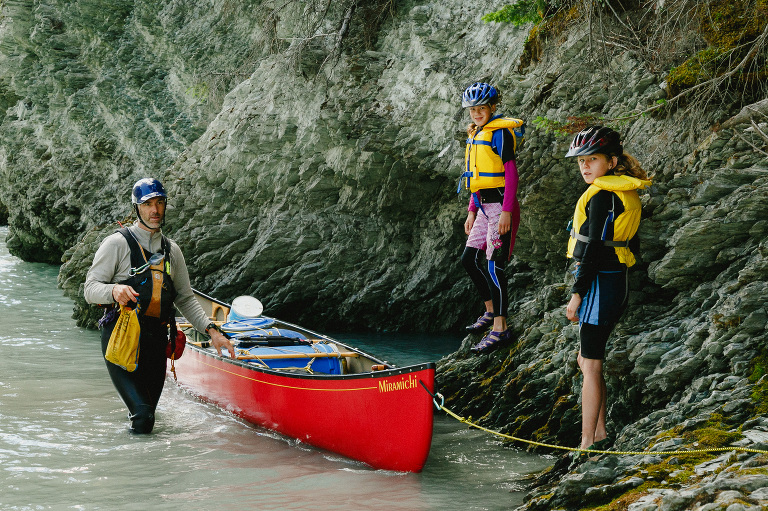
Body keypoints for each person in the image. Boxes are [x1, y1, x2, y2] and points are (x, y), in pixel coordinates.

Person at [84, 178, 235, 434]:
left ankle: (140, 464)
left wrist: (213, 331)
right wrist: (114, 290)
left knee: (146, 418)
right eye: (148, 204)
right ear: (137, 208)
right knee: (143, 417)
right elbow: (90, 289)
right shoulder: (117, 244)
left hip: (155, 342)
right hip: (121, 339)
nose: (155, 210)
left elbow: (185, 298)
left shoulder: (172, 251)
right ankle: (133, 470)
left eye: (160, 203)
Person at [563, 126, 651, 450]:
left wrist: (577, 293)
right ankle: (598, 434)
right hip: (614, 282)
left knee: (592, 362)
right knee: (586, 361)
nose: (585, 166)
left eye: (593, 159)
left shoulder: (602, 197)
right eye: (581, 161)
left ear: (611, 162)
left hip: (600, 284)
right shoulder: (621, 192)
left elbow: (595, 251)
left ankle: (587, 444)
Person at [457, 82, 525, 354]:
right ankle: (489, 311)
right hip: (482, 207)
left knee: (495, 267)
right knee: (469, 260)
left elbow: (511, 174)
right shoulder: (476, 134)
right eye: (473, 109)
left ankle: (500, 328)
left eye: (481, 108)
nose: (476, 113)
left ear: (492, 108)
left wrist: (507, 211)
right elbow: (476, 179)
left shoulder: (500, 134)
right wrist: (472, 211)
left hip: (500, 206)